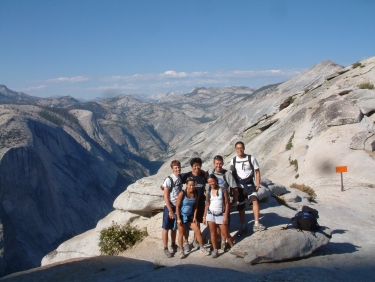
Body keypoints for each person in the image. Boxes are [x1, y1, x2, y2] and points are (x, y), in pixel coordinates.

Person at [230, 141, 266, 233]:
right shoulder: (233, 160)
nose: (239, 150)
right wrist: (233, 188)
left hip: (250, 184)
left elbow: (257, 171)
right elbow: (233, 174)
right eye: (238, 148)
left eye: (241, 148)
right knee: (241, 206)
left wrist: (258, 183)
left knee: (255, 201)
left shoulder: (251, 158)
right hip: (239, 186)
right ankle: (243, 225)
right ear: (235, 149)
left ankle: (257, 223)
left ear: (244, 148)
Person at [207, 155, 238, 250]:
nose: (218, 165)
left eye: (220, 163)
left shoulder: (226, 174)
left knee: (224, 225)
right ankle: (218, 241)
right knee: (215, 225)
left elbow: (234, 187)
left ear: (223, 163)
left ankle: (224, 242)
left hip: (224, 203)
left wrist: (234, 201)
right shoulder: (210, 172)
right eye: (216, 163)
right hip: (213, 203)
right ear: (213, 164)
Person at [175, 177, 210, 258]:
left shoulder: (196, 193)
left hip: (190, 215)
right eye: (190, 185)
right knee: (181, 233)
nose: (192, 187)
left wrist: (194, 217)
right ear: (186, 185)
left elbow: (196, 206)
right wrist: (178, 218)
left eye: (193, 185)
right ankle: (181, 250)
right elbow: (177, 207)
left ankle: (202, 248)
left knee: (197, 230)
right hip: (182, 215)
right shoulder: (182, 194)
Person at [203, 174, 235, 258]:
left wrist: (226, 216)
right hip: (211, 214)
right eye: (209, 182)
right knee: (213, 233)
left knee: (226, 233)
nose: (211, 183)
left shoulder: (223, 190)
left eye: (213, 181)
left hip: (221, 214)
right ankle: (215, 249)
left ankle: (233, 247)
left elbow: (227, 203)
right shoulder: (208, 191)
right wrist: (204, 216)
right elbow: (207, 203)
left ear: (216, 180)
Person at [180, 157, 207, 251]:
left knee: (197, 222)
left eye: (198, 165)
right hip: (189, 203)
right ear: (192, 167)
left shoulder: (203, 176)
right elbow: (177, 178)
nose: (197, 167)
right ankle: (186, 242)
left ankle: (195, 241)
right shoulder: (187, 175)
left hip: (200, 203)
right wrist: (164, 185)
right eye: (195, 166)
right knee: (187, 225)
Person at [161, 160, 183, 258]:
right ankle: (165, 248)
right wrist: (170, 210)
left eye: (178, 167)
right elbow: (165, 196)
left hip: (177, 206)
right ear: (172, 169)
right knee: (166, 227)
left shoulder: (180, 177)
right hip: (169, 206)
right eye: (175, 168)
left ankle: (173, 244)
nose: (177, 169)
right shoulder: (169, 179)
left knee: (174, 227)